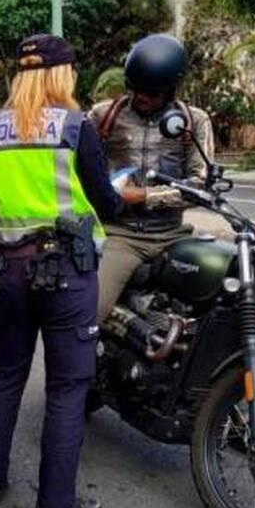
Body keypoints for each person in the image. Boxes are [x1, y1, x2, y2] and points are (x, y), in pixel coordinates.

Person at [0, 34, 122, 508]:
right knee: (68, 388)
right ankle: (55, 506)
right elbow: (108, 204)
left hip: (8, 271)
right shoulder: (76, 127)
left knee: (5, 376)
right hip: (66, 277)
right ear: (63, 75)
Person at [88, 34, 215, 326]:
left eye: (153, 92)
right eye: (137, 90)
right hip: (121, 235)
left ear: (170, 90)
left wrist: (144, 195)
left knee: (216, 302)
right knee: (87, 316)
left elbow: (201, 184)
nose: (143, 97)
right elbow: (80, 170)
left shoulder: (193, 121)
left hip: (174, 234)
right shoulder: (103, 117)